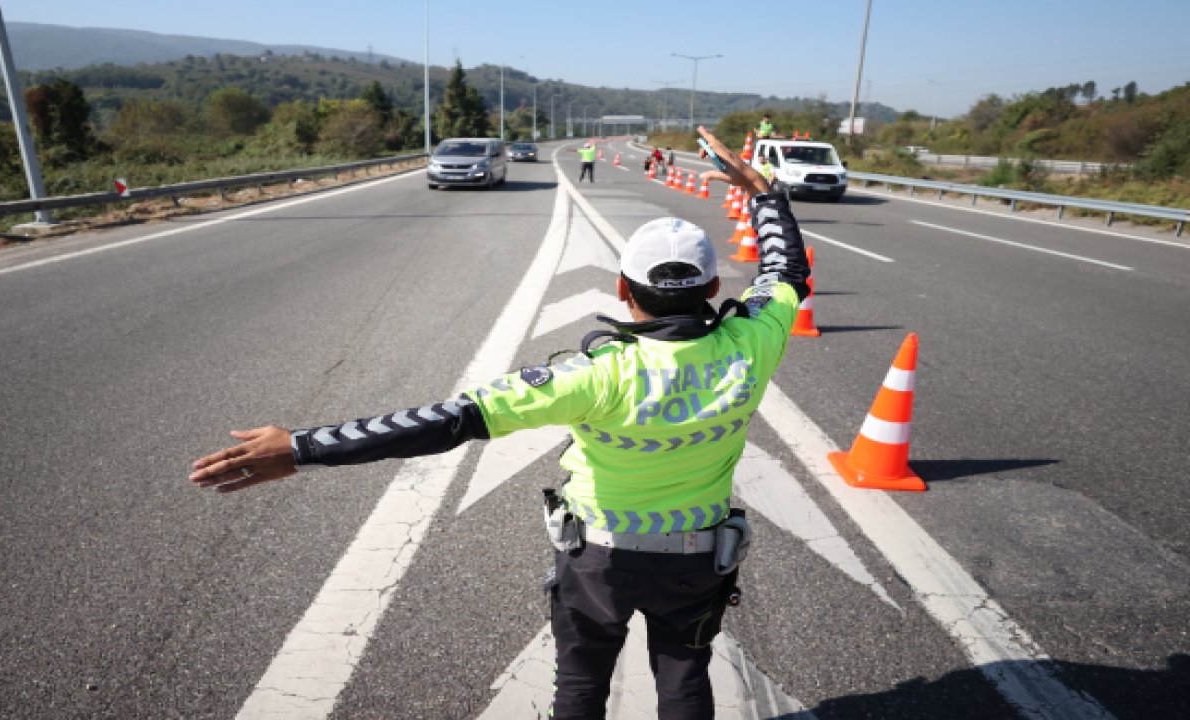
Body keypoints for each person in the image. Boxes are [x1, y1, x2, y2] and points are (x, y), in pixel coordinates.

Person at [188, 125, 810, 720]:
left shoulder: (592, 375)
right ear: (714, 286)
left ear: (624, 289)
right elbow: (784, 272)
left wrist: (300, 447)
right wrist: (766, 194)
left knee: (582, 682)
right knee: (684, 676)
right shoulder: (753, 342)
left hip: (598, 562)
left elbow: (446, 421)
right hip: (697, 558)